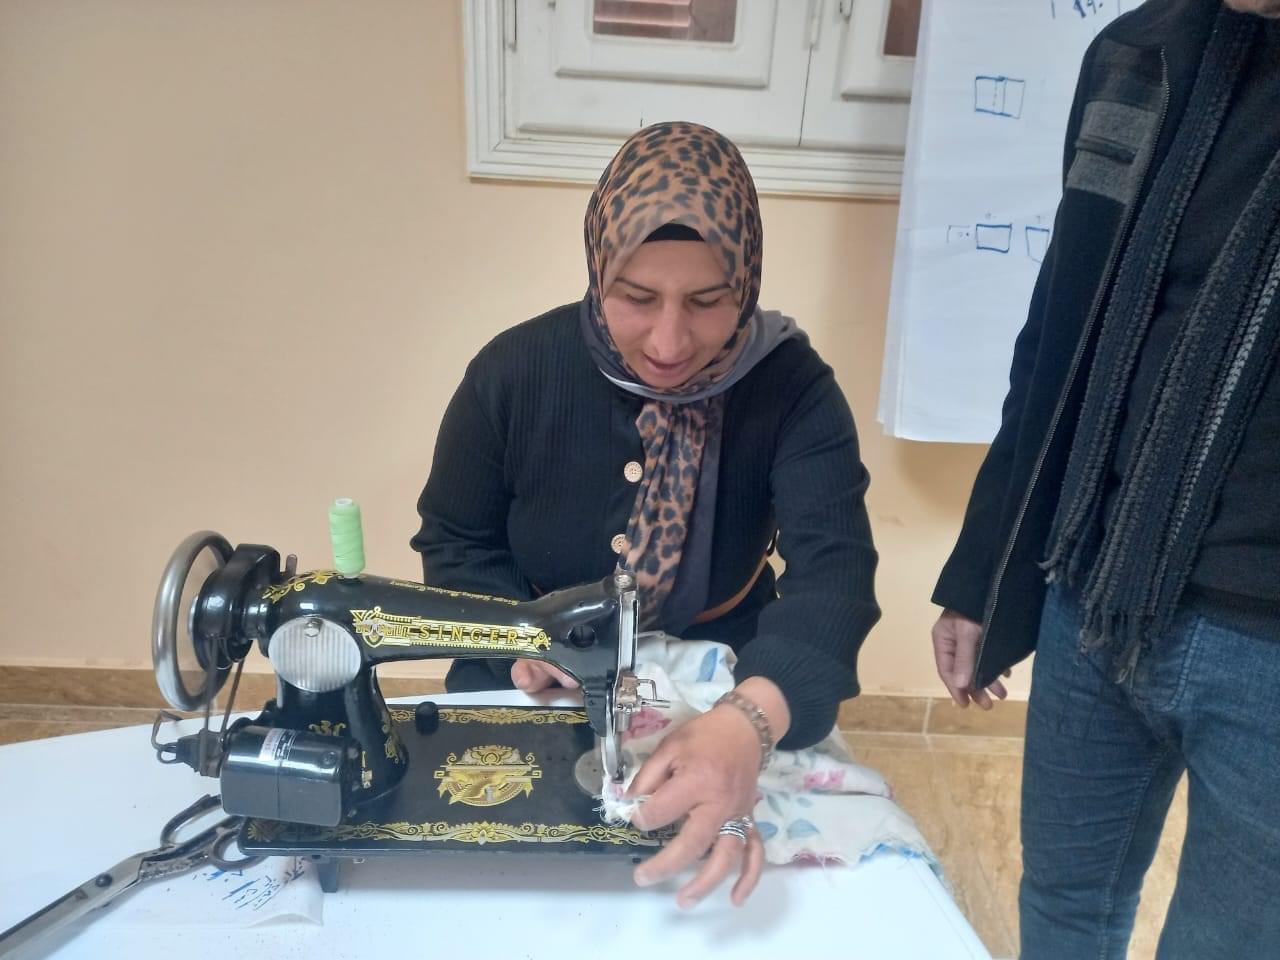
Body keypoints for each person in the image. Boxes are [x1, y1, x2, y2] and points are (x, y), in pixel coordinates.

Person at [412, 121, 879, 908]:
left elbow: (834, 573)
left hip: (732, 671)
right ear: (599, 270)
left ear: (746, 282)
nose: (668, 341)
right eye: (636, 298)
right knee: (499, 888)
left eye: (707, 301)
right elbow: (457, 539)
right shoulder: (513, 373)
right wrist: (517, 638)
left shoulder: (793, 388)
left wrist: (748, 721)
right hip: (538, 679)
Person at [930, 1, 1280, 956]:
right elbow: (1056, 336)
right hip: (1091, 594)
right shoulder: (1136, 55)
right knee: (1062, 906)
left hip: (1265, 646)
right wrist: (983, 574)